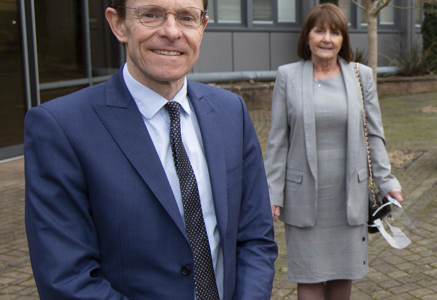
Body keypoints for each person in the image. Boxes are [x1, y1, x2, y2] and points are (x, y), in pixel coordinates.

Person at [23, 0, 278, 298]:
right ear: (118, 24)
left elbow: (256, 237)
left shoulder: (230, 111)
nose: (171, 31)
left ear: (203, 27)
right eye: (151, 15)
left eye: (186, 17)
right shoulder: (61, 127)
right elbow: (66, 277)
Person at [264, 4, 403, 299]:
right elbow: (278, 141)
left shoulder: (360, 76)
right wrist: (272, 193)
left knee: (343, 277)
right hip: (304, 198)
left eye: (335, 32)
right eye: (319, 31)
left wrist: (387, 181)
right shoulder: (287, 76)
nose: (327, 38)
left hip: (349, 196)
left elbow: (375, 135)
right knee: (310, 280)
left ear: (343, 40)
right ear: (308, 36)